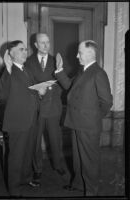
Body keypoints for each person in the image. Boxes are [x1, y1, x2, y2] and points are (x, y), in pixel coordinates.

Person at [55, 40, 113, 196]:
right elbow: (69, 87)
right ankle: (79, 185)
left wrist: (94, 118)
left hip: (88, 125)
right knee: (78, 159)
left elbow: (107, 101)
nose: (76, 55)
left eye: (79, 52)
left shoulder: (98, 73)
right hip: (76, 122)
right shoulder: (83, 71)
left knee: (89, 161)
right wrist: (59, 71)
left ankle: (91, 191)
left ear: (89, 54)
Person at [0, 40, 43, 196]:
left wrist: (39, 92)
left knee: (28, 153)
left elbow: (29, 91)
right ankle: (14, 189)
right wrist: (8, 68)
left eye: (25, 49)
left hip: (31, 119)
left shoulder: (26, 70)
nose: (25, 52)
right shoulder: (8, 72)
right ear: (11, 54)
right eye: (21, 49)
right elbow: (2, 93)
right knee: (16, 157)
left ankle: (25, 178)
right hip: (18, 122)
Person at [26, 33, 66, 185]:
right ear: (35, 45)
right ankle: (37, 170)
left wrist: (50, 90)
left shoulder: (57, 60)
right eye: (42, 43)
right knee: (35, 142)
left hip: (53, 107)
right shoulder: (28, 62)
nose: (45, 45)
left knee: (56, 139)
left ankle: (58, 164)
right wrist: (37, 92)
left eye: (47, 42)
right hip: (36, 109)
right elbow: (25, 85)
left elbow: (64, 83)